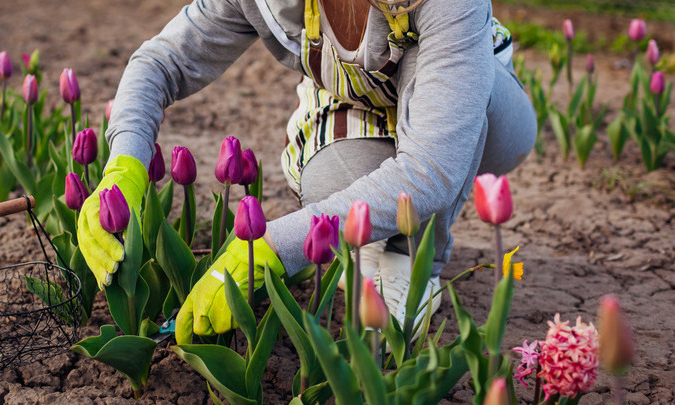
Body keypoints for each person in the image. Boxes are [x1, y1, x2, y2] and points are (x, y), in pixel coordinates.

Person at [77, 0, 537, 344]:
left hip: (475, 107)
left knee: (439, 152)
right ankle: (376, 242)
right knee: (328, 189)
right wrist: (126, 165)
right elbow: (159, 62)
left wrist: (275, 246)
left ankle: (416, 257)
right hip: (358, 101)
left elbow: (433, 165)